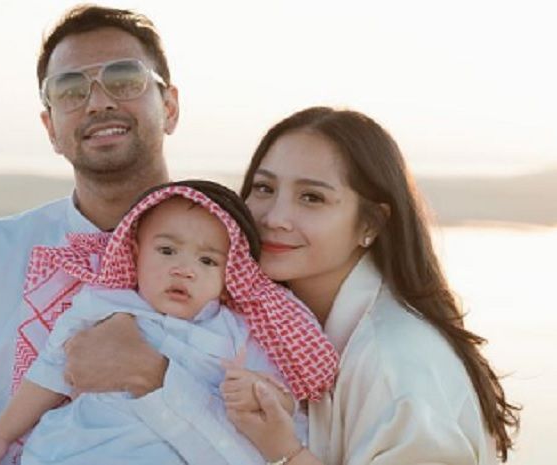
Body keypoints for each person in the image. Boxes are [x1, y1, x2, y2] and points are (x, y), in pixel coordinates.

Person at [0, 5, 183, 464]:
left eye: (124, 79)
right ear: (51, 128)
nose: (98, 102)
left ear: (169, 107)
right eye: (70, 89)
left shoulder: (234, 249)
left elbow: (277, 420)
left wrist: (161, 377)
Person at [223, 107, 520, 464]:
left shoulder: (397, 365)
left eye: (312, 197)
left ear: (371, 223)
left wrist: (284, 453)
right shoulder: (270, 328)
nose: (274, 217)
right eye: (264, 188)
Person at [0, 180, 335, 465]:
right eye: (167, 251)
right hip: (76, 449)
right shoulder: (103, 305)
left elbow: (282, 402)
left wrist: (263, 392)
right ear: (135, 253)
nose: (184, 269)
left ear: (230, 277)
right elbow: (48, 372)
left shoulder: (236, 331)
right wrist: (1, 435)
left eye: (207, 261)